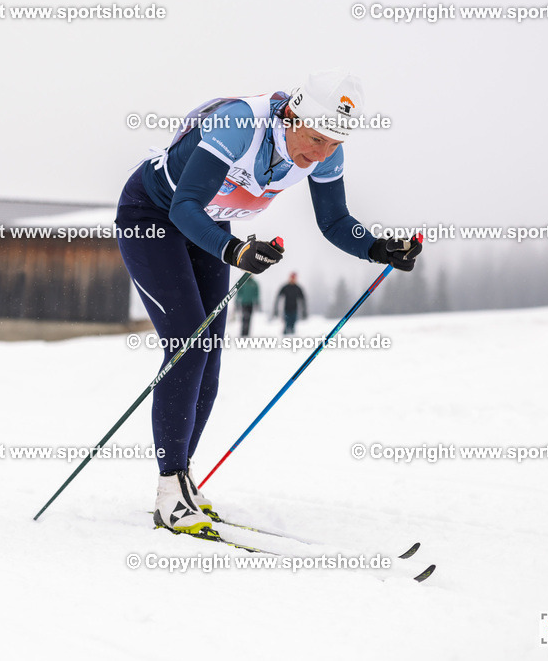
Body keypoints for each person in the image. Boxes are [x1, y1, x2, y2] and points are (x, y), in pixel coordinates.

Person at [115, 69, 422, 535]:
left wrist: (378, 247)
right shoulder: (240, 124)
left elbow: (334, 221)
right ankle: (169, 489)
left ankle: (180, 478)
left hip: (208, 225)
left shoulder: (325, 147)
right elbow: (183, 206)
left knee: (209, 354)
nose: (321, 154)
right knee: (188, 346)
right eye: (316, 139)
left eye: (334, 144)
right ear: (292, 115)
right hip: (154, 217)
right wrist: (235, 250)